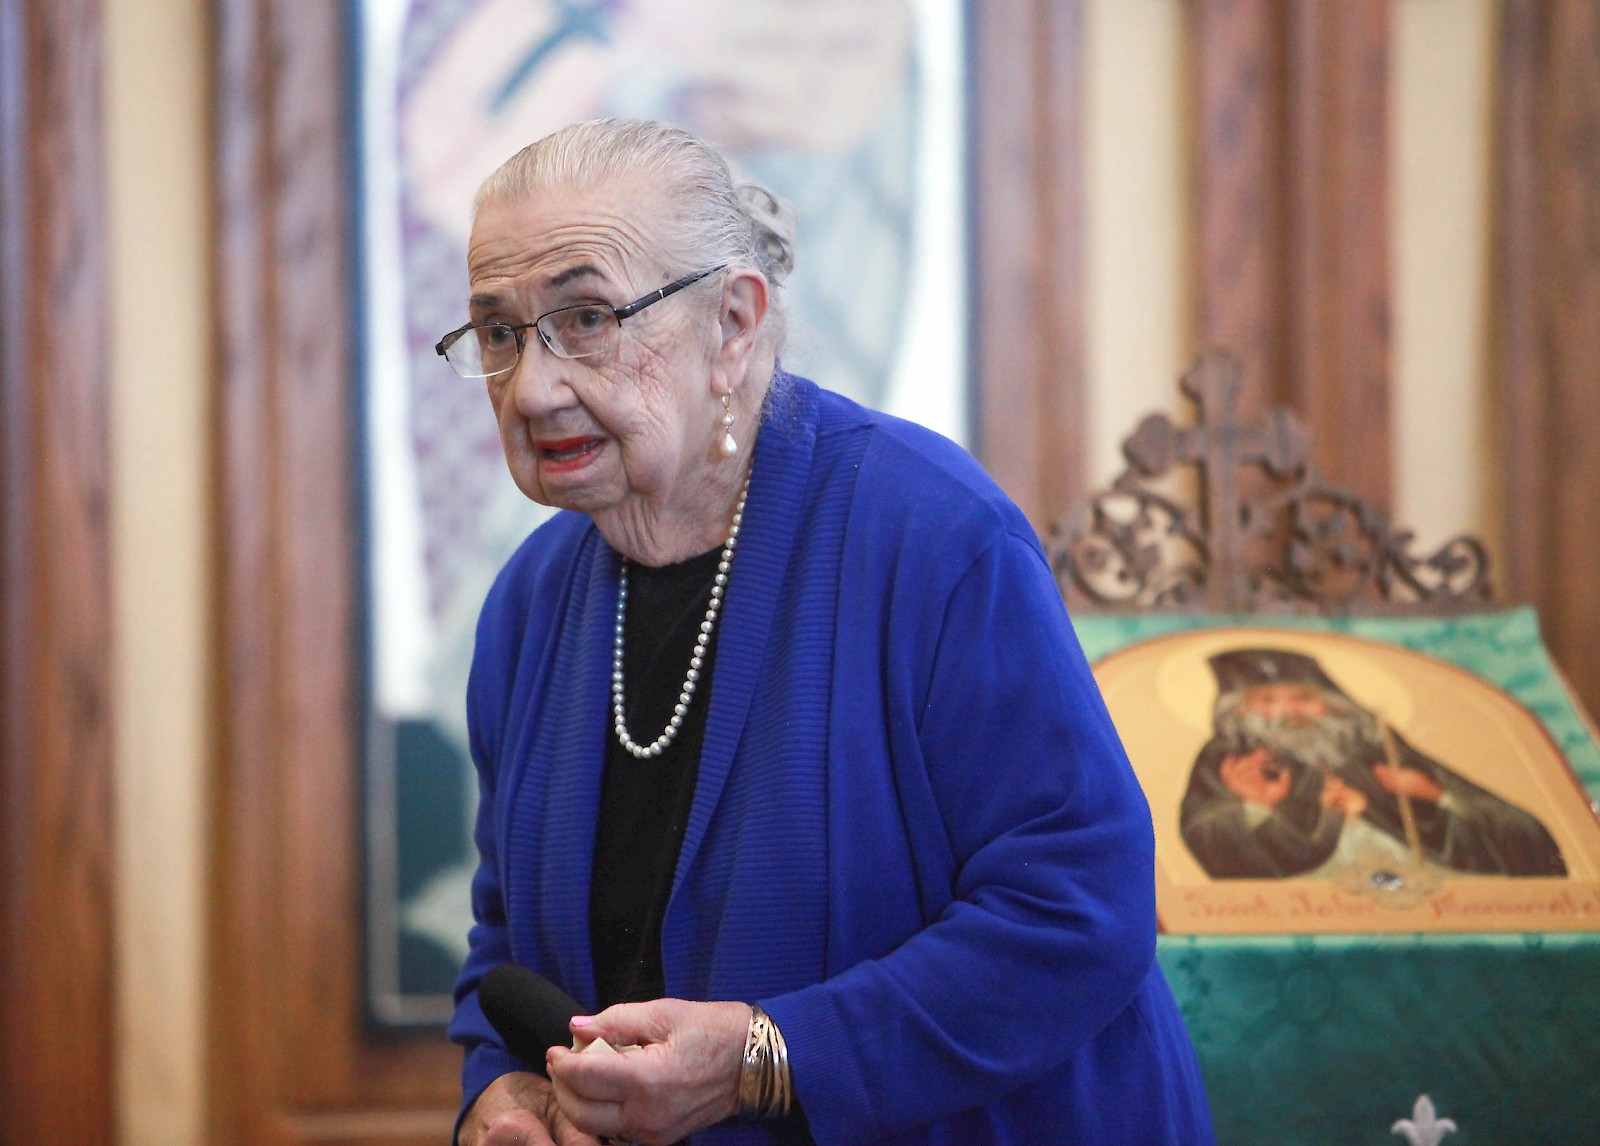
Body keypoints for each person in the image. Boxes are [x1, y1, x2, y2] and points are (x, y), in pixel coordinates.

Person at [441, 117, 1213, 1146]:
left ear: (732, 325)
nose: (533, 388)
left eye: (586, 319)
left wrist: (766, 1058)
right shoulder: (528, 605)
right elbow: (504, 942)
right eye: (498, 333)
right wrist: (497, 1094)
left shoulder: (936, 537)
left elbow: (1078, 914)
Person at [1179, 647, 1567, 881]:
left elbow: (1517, 829)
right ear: (1239, 710)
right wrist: (1255, 808)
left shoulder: (1374, 746)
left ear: (1333, 704)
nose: (1288, 711)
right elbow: (1204, 831)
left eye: (1303, 697)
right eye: (1266, 701)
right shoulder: (1230, 759)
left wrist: (1436, 797)